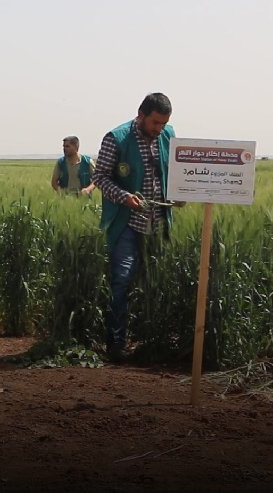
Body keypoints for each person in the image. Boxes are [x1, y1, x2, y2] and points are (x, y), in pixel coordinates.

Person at [92, 92, 184, 363]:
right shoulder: (116, 138)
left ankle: (152, 340)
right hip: (127, 224)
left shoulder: (168, 136)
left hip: (160, 223)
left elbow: (176, 172)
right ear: (141, 115)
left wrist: (180, 193)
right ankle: (117, 343)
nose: (159, 129)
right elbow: (100, 177)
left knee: (156, 280)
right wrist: (124, 198)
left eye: (164, 124)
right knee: (121, 280)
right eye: (155, 123)